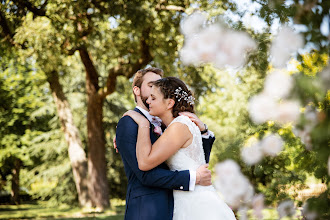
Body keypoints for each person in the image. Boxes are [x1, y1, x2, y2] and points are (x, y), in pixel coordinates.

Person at [123, 76, 236, 220]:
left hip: (196, 205)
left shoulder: (179, 126)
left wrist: (142, 123)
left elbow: (145, 163)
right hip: (184, 200)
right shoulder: (174, 126)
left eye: (153, 98)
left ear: (169, 103)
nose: (148, 101)